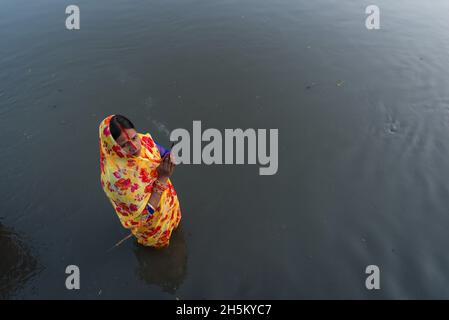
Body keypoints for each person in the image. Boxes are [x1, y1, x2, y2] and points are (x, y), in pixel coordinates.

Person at [99, 114, 181, 248]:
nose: (135, 146)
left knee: (176, 227)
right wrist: (162, 177)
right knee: (160, 245)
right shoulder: (116, 178)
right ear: (113, 147)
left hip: (168, 203)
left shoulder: (142, 141)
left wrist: (169, 157)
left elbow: (159, 151)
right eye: (124, 145)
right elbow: (143, 217)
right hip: (152, 224)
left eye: (134, 137)